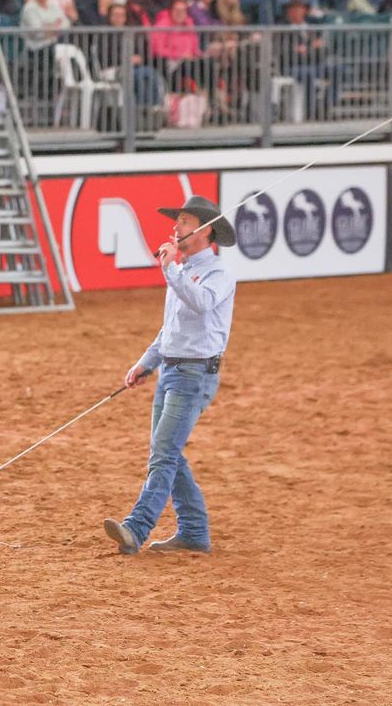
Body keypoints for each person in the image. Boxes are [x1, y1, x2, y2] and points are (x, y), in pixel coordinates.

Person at [103, 195, 238, 556]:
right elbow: (172, 329)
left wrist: (172, 269)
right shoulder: (182, 271)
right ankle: (194, 531)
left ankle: (136, 527)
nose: (175, 228)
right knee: (168, 452)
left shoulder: (218, 273)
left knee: (163, 452)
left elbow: (203, 302)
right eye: (177, 221)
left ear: (205, 230)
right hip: (173, 371)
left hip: (194, 375)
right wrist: (146, 362)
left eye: (184, 222)